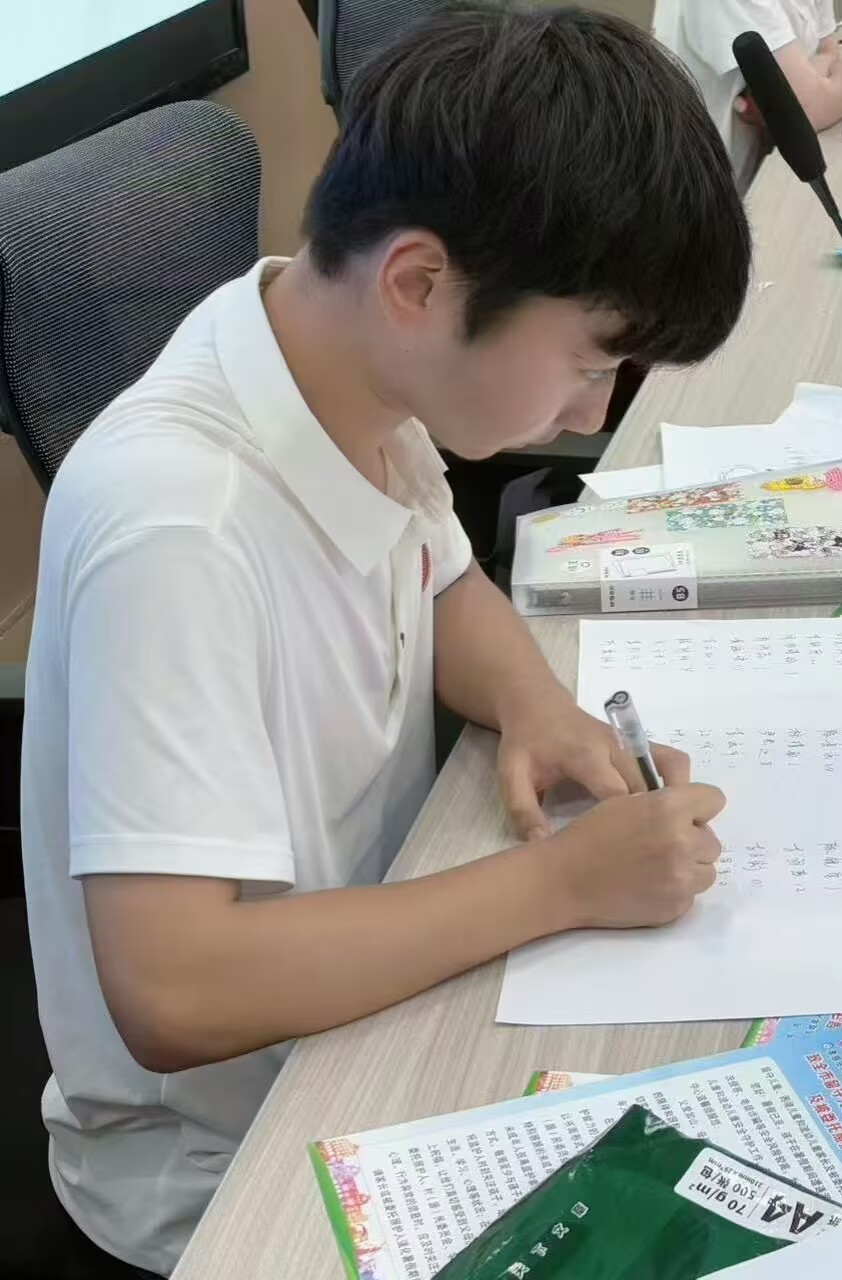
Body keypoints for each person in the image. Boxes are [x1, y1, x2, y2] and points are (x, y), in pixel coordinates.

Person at [20, 4, 751, 1275]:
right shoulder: (178, 524)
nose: (590, 411)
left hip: (370, 997)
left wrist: (540, 708)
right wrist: (563, 883)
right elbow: (176, 989)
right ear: (419, 281)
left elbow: (444, 582)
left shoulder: (338, 357)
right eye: (590, 362)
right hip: (226, 1178)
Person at [666, 0, 842, 187]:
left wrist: (816, 85)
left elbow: (828, 49)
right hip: (718, 198)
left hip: (771, 170)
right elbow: (805, 112)